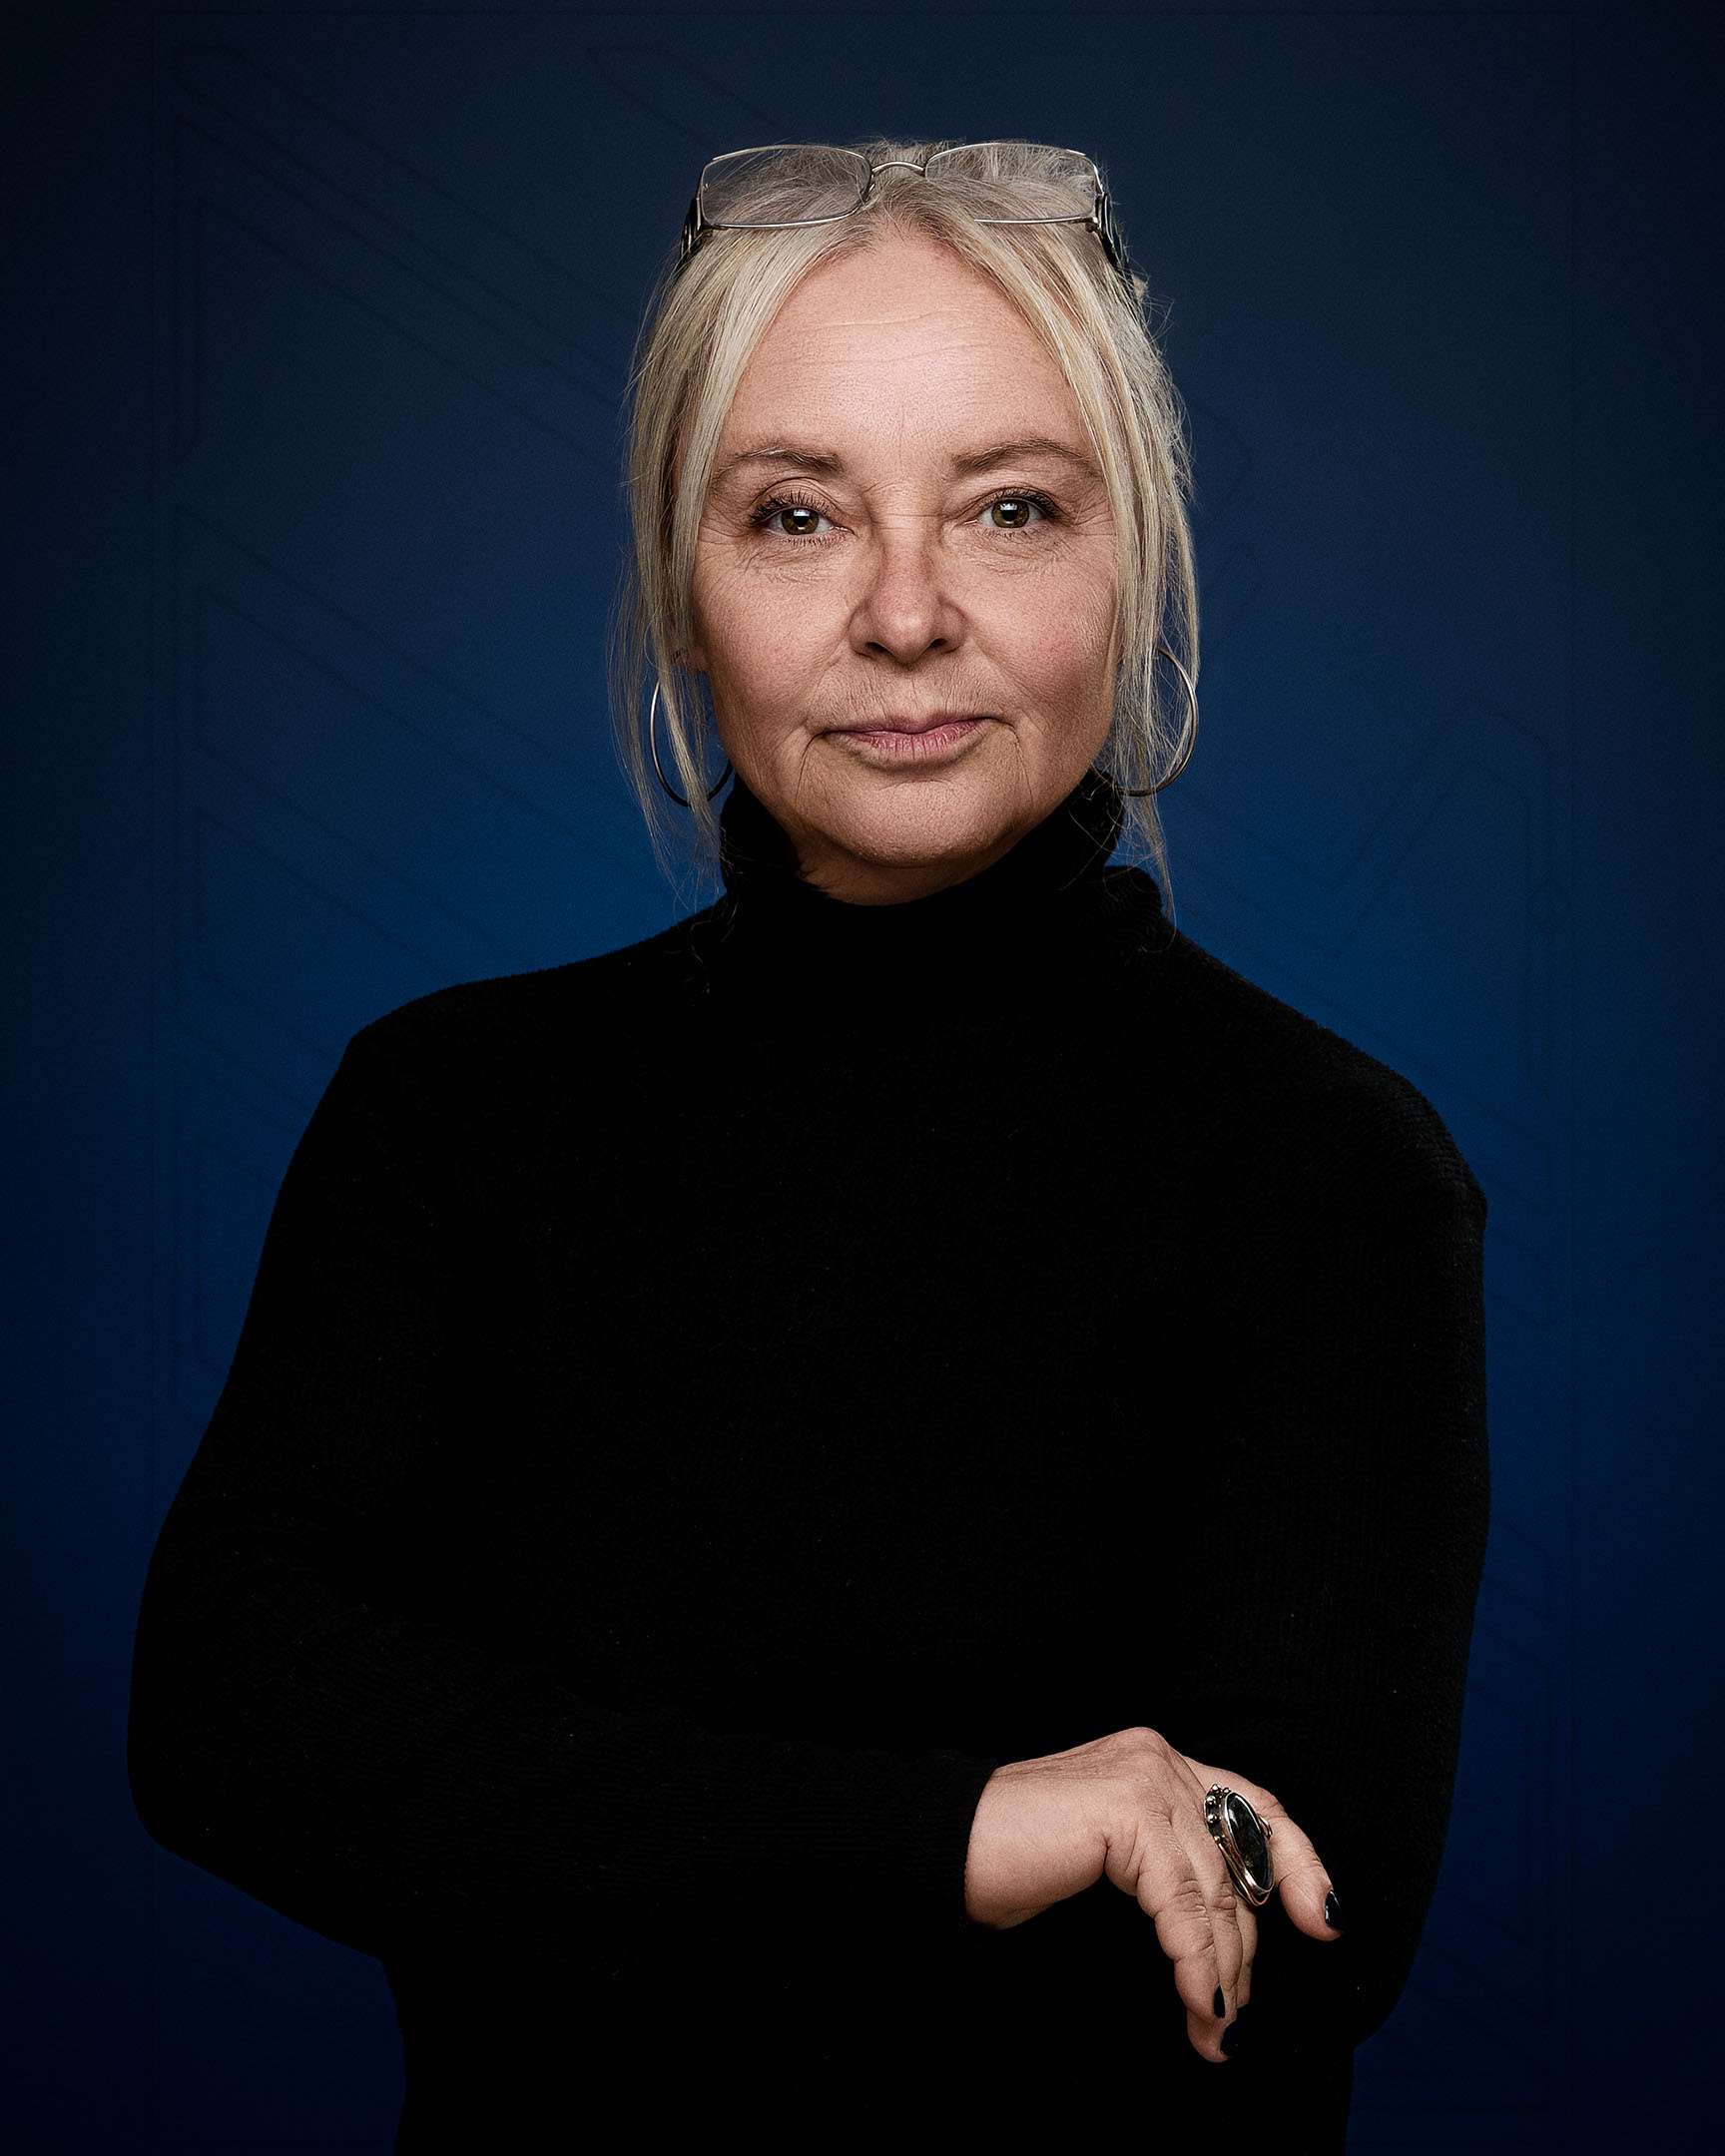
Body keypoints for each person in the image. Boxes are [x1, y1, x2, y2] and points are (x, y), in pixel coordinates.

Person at [128, 140, 1490, 2148]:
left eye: (1011, 508)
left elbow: (1272, 1954)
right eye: (796, 514)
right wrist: (974, 1835)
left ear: (1132, 566)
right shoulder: (449, 1113)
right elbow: (228, 1717)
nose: (908, 615)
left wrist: (557, 1834)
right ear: (684, 588)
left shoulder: (1333, 1173)